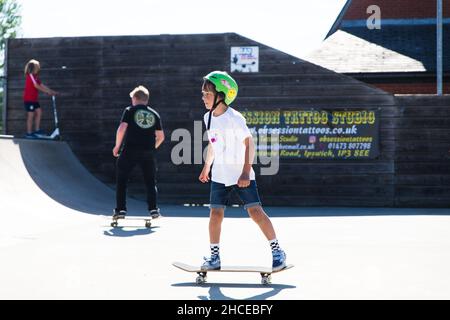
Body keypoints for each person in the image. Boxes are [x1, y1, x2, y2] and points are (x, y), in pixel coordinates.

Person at [198, 71, 287, 271]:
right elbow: (213, 144)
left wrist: (246, 172)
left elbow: (249, 144)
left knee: (255, 212)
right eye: (203, 94)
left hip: (241, 174)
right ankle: (214, 257)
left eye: (207, 94)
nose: (203, 97)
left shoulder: (234, 118)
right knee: (215, 214)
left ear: (221, 95)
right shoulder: (207, 118)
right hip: (220, 175)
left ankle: (277, 252)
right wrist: (207, 166)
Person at [112, 85, 165, 219]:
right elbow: (161, 137)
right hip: (148, 152)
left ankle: (121, 210)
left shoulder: (129, 110)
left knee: (122, 179)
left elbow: (122, 128)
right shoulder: (154, 114)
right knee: (150, 182)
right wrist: (153, 147)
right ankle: (153, 209)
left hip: (130, 149)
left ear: (135, 99)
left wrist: (117, 146)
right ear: (146, 100)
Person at [23, 59, 58, 138]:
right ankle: (29, 133)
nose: (39, 68)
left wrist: (51, 91)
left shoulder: (35, 77)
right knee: (31, 115)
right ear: (33, 68)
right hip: (29, 100)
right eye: (37, 67)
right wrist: (46, 92)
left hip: (34, 100)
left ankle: (37, 130)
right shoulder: (30, 76)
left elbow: (42, 85)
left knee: (39, 112)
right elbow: (36, 86)